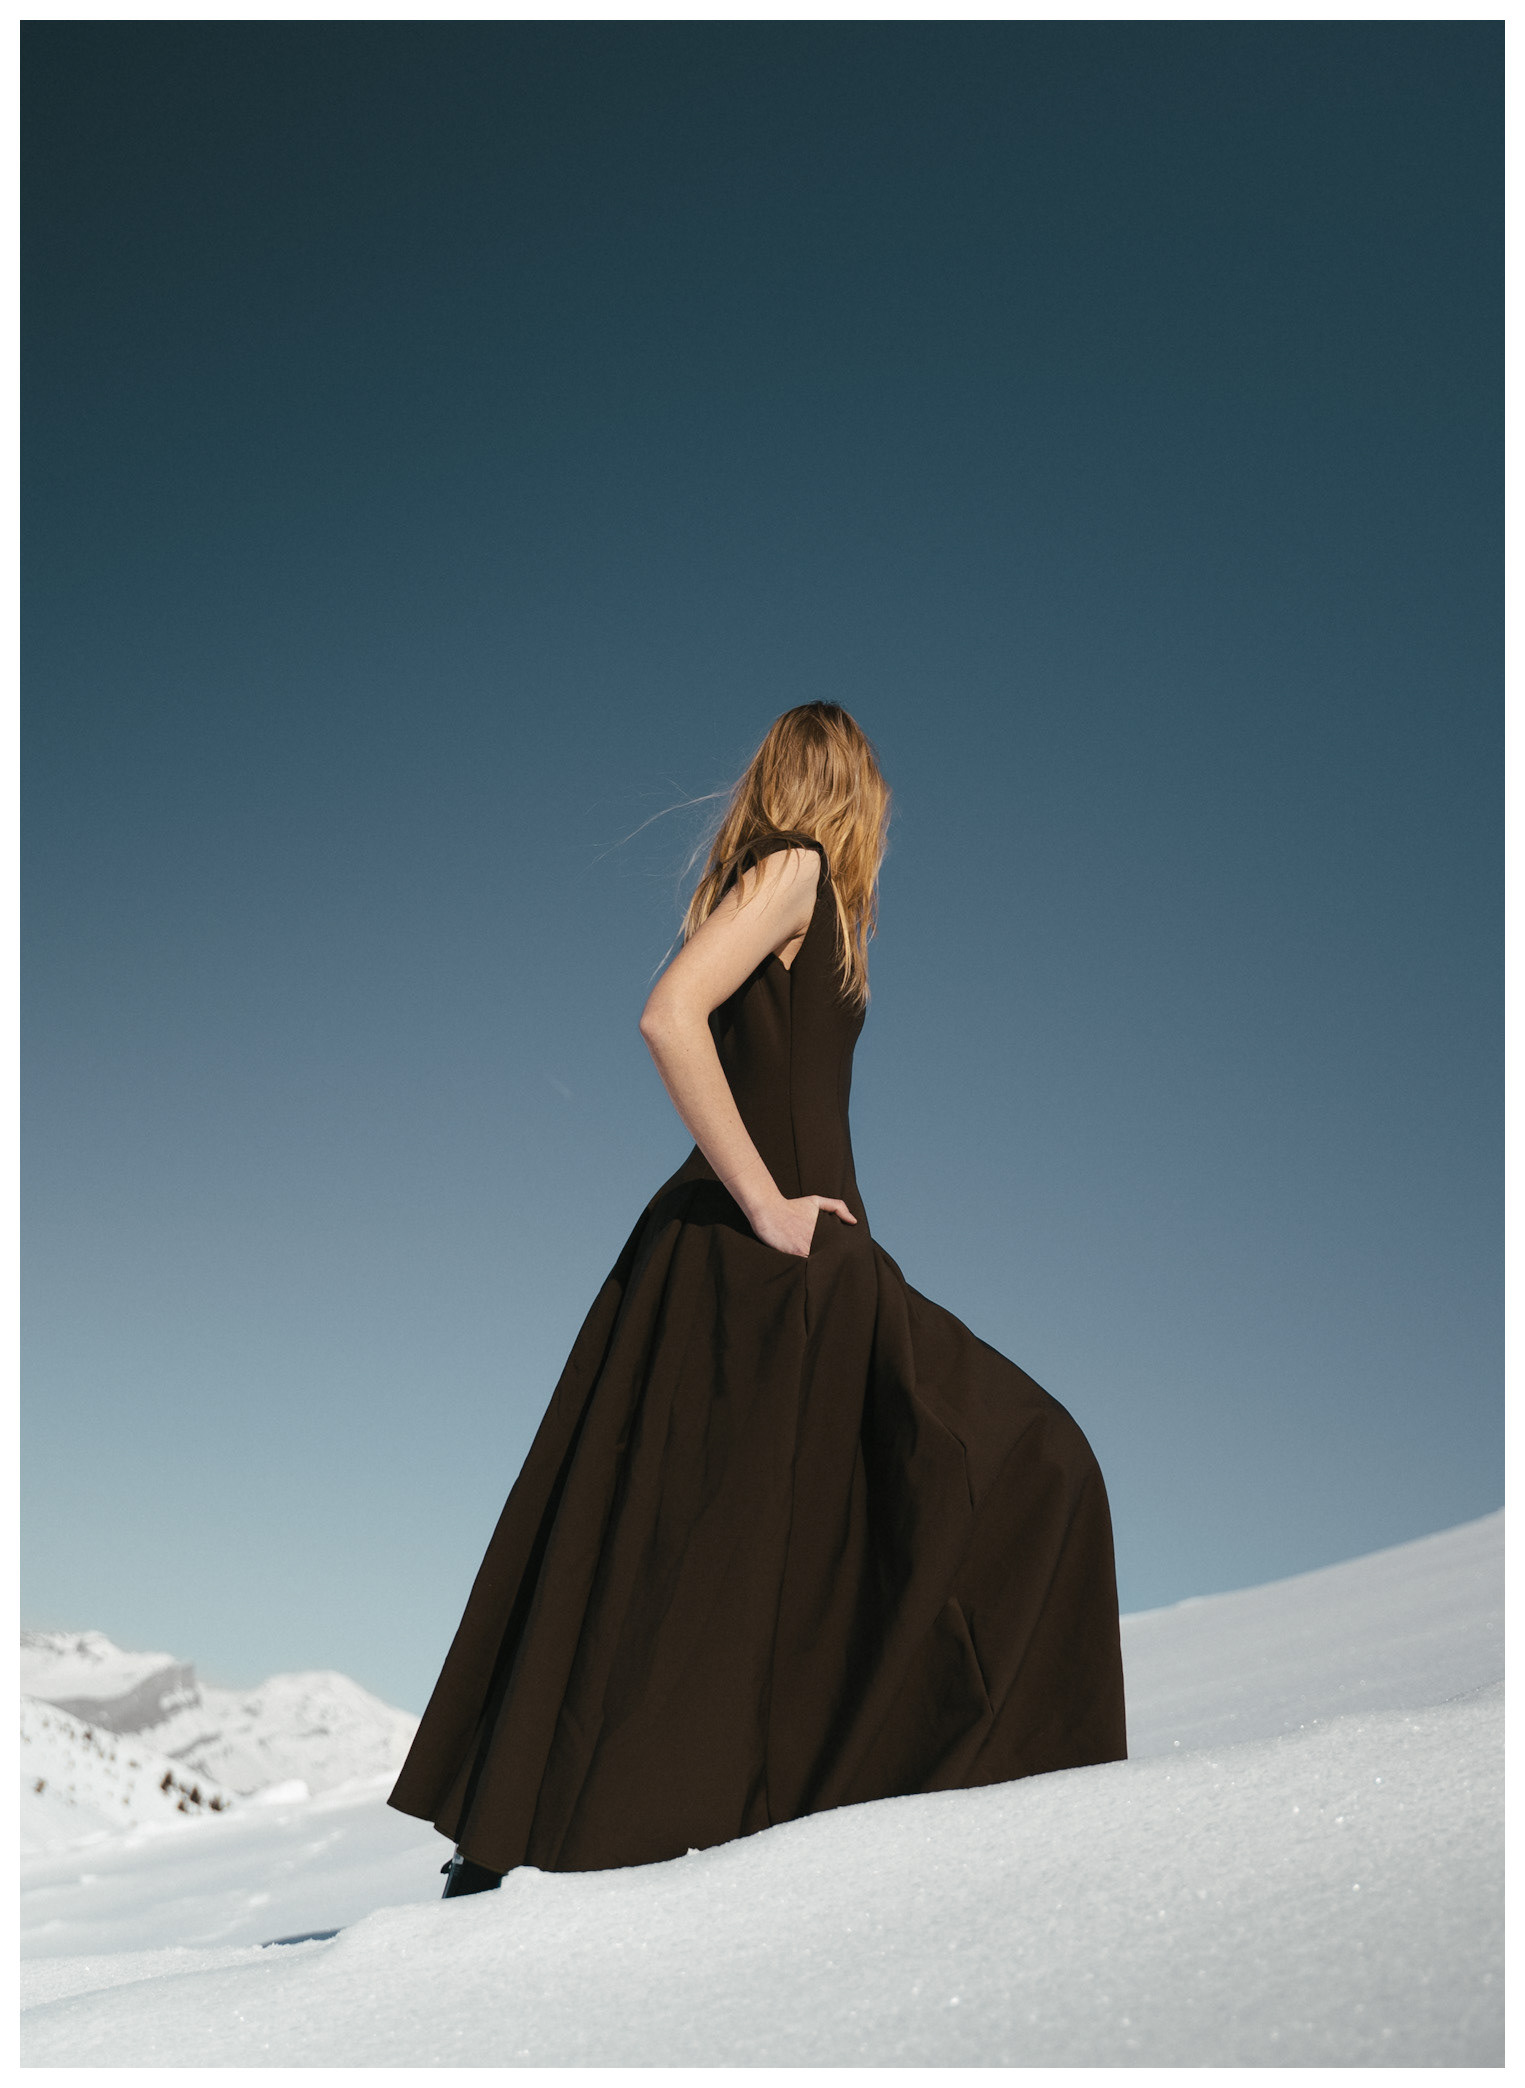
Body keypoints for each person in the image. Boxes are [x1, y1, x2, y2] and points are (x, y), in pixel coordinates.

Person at [388, 703, 1127, 1899]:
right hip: (772, 1263)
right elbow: (667, 1014)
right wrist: (771, 1207)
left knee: (731, 1559)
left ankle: (645, 1825)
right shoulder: (797, 870)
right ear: (846, 789)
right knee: (1033, 1460)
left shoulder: (798, 892)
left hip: (790, 1266)